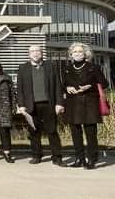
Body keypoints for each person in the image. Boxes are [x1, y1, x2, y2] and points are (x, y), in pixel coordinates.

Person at [16, 45, 66, 166]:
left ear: (41, 53)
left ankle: (57, 157)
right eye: (32, 51)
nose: (35, 53)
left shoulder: (50, 66)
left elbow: (58, 86)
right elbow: (20, 88)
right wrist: (21, 105)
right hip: (31, 105)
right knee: (34, 132)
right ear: (29, 54)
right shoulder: (23, 68)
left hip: (49, 104)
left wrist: (59, 103)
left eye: (37, 51)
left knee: (52, 131)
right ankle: (36, 155)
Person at [62, 42, 107, 170]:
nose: (77, 54)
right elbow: (63, 85)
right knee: (76, 133)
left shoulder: (94, 67)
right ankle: (79, 158)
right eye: (74, 52)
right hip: (73, 104)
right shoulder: (67, 68)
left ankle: (91, 159)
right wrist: (67, 88)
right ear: (71, 54)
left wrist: (90, 86)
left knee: (90, 133)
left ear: (85, 54)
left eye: (80, 51)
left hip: (89, 104)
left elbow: (104, 83)